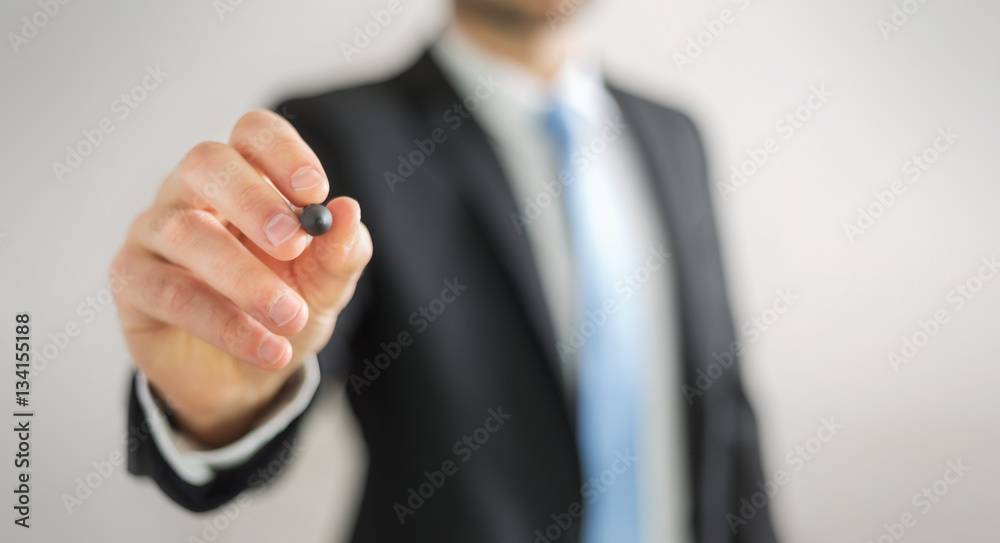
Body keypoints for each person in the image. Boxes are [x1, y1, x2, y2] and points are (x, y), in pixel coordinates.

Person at [113, 0, 778, 541]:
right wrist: (222, 402)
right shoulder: (336, 133)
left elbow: (726, 408)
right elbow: (269, 355)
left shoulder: (676, 135)